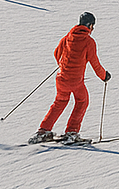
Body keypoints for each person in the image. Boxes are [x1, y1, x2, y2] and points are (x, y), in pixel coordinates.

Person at [30, 12, 110, 144]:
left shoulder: (68, 36)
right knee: (82, 101)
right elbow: (94, 62)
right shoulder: (89, 41)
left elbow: (57, 53)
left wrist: (63, 66)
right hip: (75, 81)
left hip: (61, 78)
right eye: (93, 27)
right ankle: (71, 132)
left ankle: (43, 131)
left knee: (60, 102)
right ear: (90, 25)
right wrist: (104, 76)